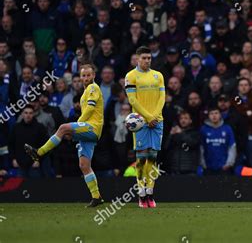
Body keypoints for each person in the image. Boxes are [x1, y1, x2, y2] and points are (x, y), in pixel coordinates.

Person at [24, 64, 105, 207]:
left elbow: (91, 109)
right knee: (84, 165)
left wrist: (78, 124)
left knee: (63, 128)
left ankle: (39, 152)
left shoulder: (93, 88)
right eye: (83, 75)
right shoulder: (85, 92)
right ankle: (96, 196)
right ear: (81, 77)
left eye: (88, 75)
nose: (86, 78)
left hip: (92, 127)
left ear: (93, 76)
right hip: (90, 132)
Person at [125, 46, 165, 208]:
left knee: (153, 158)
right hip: (140, 122)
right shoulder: (131, 76)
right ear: (137, 59)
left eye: (149, 58)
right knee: (142, 157)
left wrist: (154, 116)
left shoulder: (158, 75)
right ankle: (141, 194)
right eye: (144, 58)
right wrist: (148, 117)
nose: (147, 60)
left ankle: (150, 192)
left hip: (157, 121)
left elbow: (162, 97)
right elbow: (132, 100)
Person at [200, 107, 236, 175]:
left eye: (216, 113)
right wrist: (203, 164)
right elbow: (201, 148)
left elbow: (232, 146)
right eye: (211, 114)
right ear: (208, 116)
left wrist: (229, 163)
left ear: (220, 115)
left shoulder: (227, 128)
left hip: (224, 167)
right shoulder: (203, 129)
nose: (214, 116)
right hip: (208, 167)